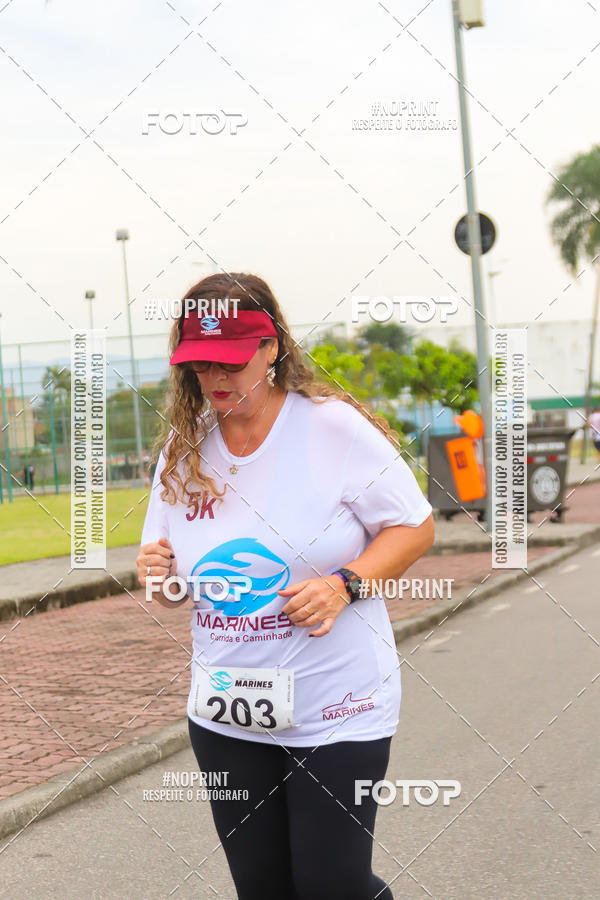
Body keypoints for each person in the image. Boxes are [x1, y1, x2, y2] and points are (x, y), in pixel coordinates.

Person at [137, 273, 435, 900]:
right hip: (227, 708)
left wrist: (344, 585)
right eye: (199, 364)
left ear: (271, 347)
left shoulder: (332, 430)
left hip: (337, 705)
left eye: (231, 360)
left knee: (331, 884)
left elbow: (413, 527)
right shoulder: (184, 448)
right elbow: (168, 563)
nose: (216, 377)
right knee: (264, 887)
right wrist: (158, 571)